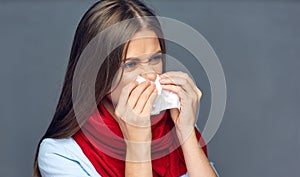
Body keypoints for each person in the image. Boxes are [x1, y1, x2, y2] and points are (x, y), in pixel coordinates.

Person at [32, 0, 219, 176]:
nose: (150, 74)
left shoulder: (175, 121)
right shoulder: (61, 154)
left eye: (155, 59)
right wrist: (138, 142)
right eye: (130, 65)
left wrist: (186, 134)